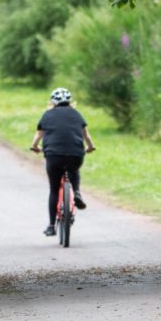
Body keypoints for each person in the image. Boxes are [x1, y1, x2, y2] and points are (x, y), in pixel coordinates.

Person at [30, 87, 96, 236]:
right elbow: (86, 135)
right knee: (73, 169)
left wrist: (34, 147)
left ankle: (51, 226)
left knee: (54, 190)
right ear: (70, 101)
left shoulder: (47, 115)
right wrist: (90, 147)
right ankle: (77, 192)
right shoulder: (77, 114)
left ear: (52, 102)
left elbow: (39, 135)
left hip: (54, 156)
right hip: (75, 154)